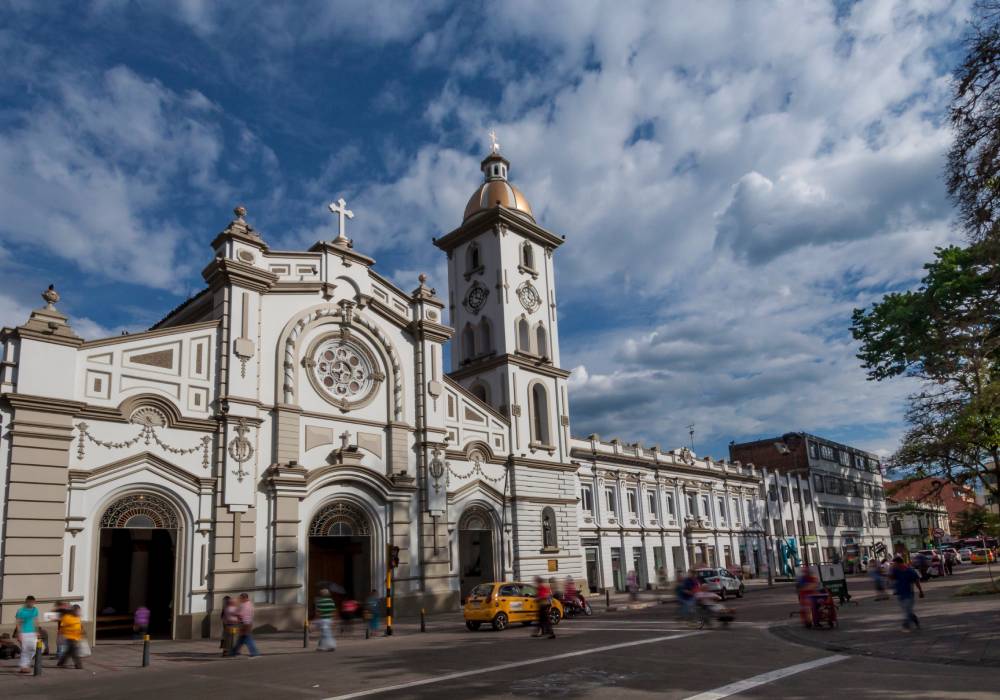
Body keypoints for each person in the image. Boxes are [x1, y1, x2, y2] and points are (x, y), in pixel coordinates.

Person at [889, 555, 924, 630]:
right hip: (900, 593)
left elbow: (916, 581)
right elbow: (891, 578)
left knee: (907, 609)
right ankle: (915, 621)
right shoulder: (896, 570)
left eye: (894, 563)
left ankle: (906, 624)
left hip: (909, 594)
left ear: (899, 563)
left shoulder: (910, 571)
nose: (893, 565)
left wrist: (921, 591)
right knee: (907, 610)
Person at [228, 593, 260, 657]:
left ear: (244, 598)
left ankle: (254, 653)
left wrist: (233, 610)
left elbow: (238, 613)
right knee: (241, 639)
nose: (240, 599)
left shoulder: (244, 605)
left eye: (241, 598)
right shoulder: (250, 604)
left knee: (247, 639)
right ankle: (234, 652)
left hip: (244, 624)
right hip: (248, 623)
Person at [15, 595, 39, 674]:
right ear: (26, 602)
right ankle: (24, 666)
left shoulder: (35, 610)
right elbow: (18, 623)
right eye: (30, 602)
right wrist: (19, 633)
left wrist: (37, 631)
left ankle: (25, 665)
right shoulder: (21, 611)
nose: (31, 604)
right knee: (25, 649)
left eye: (33, 602)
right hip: (24, 632)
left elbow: (36, 620)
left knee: (34, 649)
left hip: (32, 632)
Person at [56, 605, 84, 669]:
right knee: (75, 651)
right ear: (73, 611)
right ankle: (78, 665)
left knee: (68, 651)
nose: (79, 612)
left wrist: (82, 632)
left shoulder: (78, 617)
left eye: (79, 611)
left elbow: (80, 625)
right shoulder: (67, 617)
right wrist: (60, 636)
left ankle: (61, 662)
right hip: (69, 637)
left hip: (76, 637)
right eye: (77, 611)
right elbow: (61, 628)